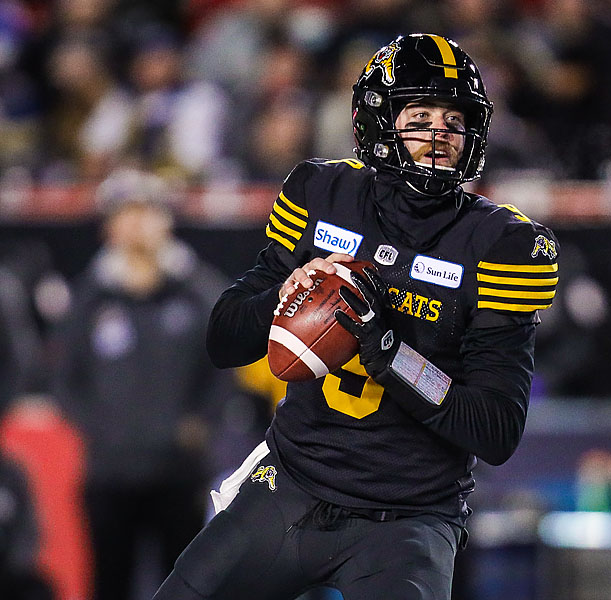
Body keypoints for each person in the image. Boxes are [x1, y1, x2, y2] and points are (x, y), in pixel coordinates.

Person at [154, 33, 560, 600]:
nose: (440, 137)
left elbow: (494, 430)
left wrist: (389, 351)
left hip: (407, 519)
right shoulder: (323, 192)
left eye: (453, 120)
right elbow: (223, 339)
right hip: (291, 486)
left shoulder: (499, 244)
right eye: (420, 116)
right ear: (378, 120)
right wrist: (282, 302)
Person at [53, 168, 229, 600]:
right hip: (109, 474)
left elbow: (226, 365)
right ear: (108, 226)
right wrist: (100, 431)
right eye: (126, 213)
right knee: (109, 583)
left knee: (184, 585)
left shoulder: (199, 291)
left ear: (166, 220)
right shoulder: (89, 297)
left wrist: (201, 422)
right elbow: (62, 377)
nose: (136, 224)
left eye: (146, 211)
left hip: (178, 471)